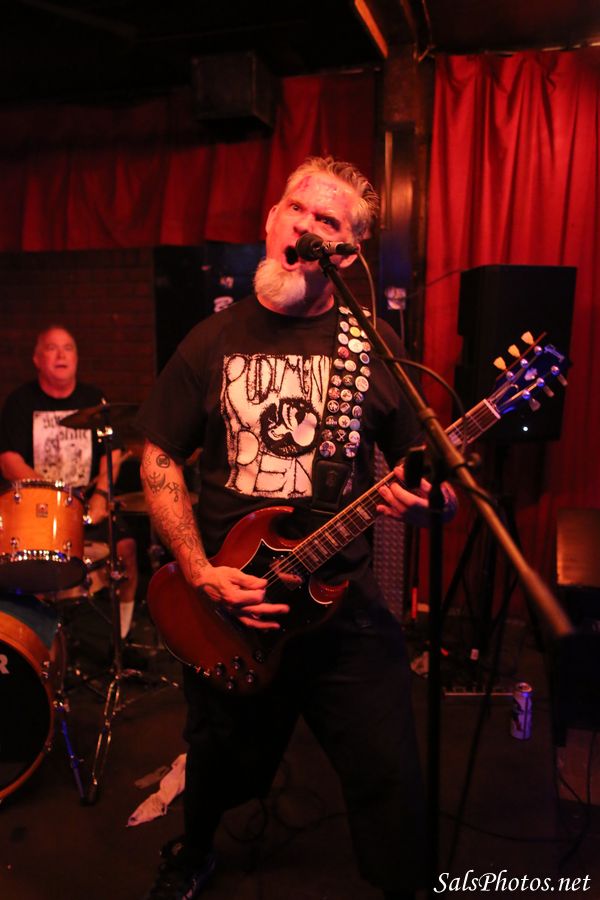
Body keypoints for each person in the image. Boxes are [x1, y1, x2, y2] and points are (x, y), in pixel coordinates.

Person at [136, 156, 457, 900]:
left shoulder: (371, 346)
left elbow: (428, 474)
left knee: (388, 769)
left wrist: (433, 502)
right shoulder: (211, 339)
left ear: (347, 252)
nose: (307, 226)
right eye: (296, 210)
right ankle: (194, 851)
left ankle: (404, 884)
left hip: (344, 604)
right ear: (271, 222)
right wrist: (198, 569)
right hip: (234, 599)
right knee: (217, 757)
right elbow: (158, 454)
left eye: (328, 221)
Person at [0, 325, 138, 643]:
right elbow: (8, 461)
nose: (61, 355)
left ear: (76, 358)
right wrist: (54, 496)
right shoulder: (20, 402)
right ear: (37, 359)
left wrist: (101, 495)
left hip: (87, 506)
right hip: (39, 510)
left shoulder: (93, 399)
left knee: (127, 550)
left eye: (68, 348)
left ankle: (121, 639)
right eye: (52, 348)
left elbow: (112, 453)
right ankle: (39, 643)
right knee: (30, 568)